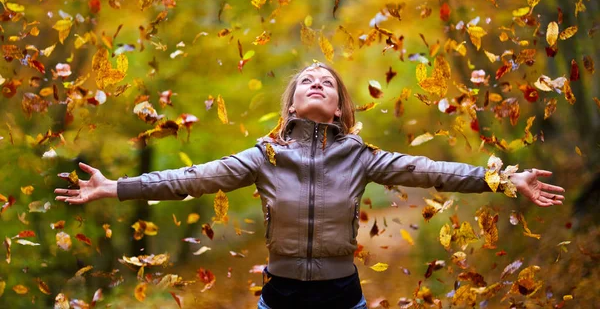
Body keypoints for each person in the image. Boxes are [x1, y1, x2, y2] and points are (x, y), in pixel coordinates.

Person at [55, 62, 565, 309]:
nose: (317, 82)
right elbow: (191, 177)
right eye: (306, 81)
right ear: (292, 105)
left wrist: (504, 180)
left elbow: (434, 171)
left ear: (342, 107)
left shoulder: (361, 156)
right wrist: (115, 186)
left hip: (343, 295)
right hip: (279, 295)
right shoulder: (265, 155)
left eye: (328, 81)